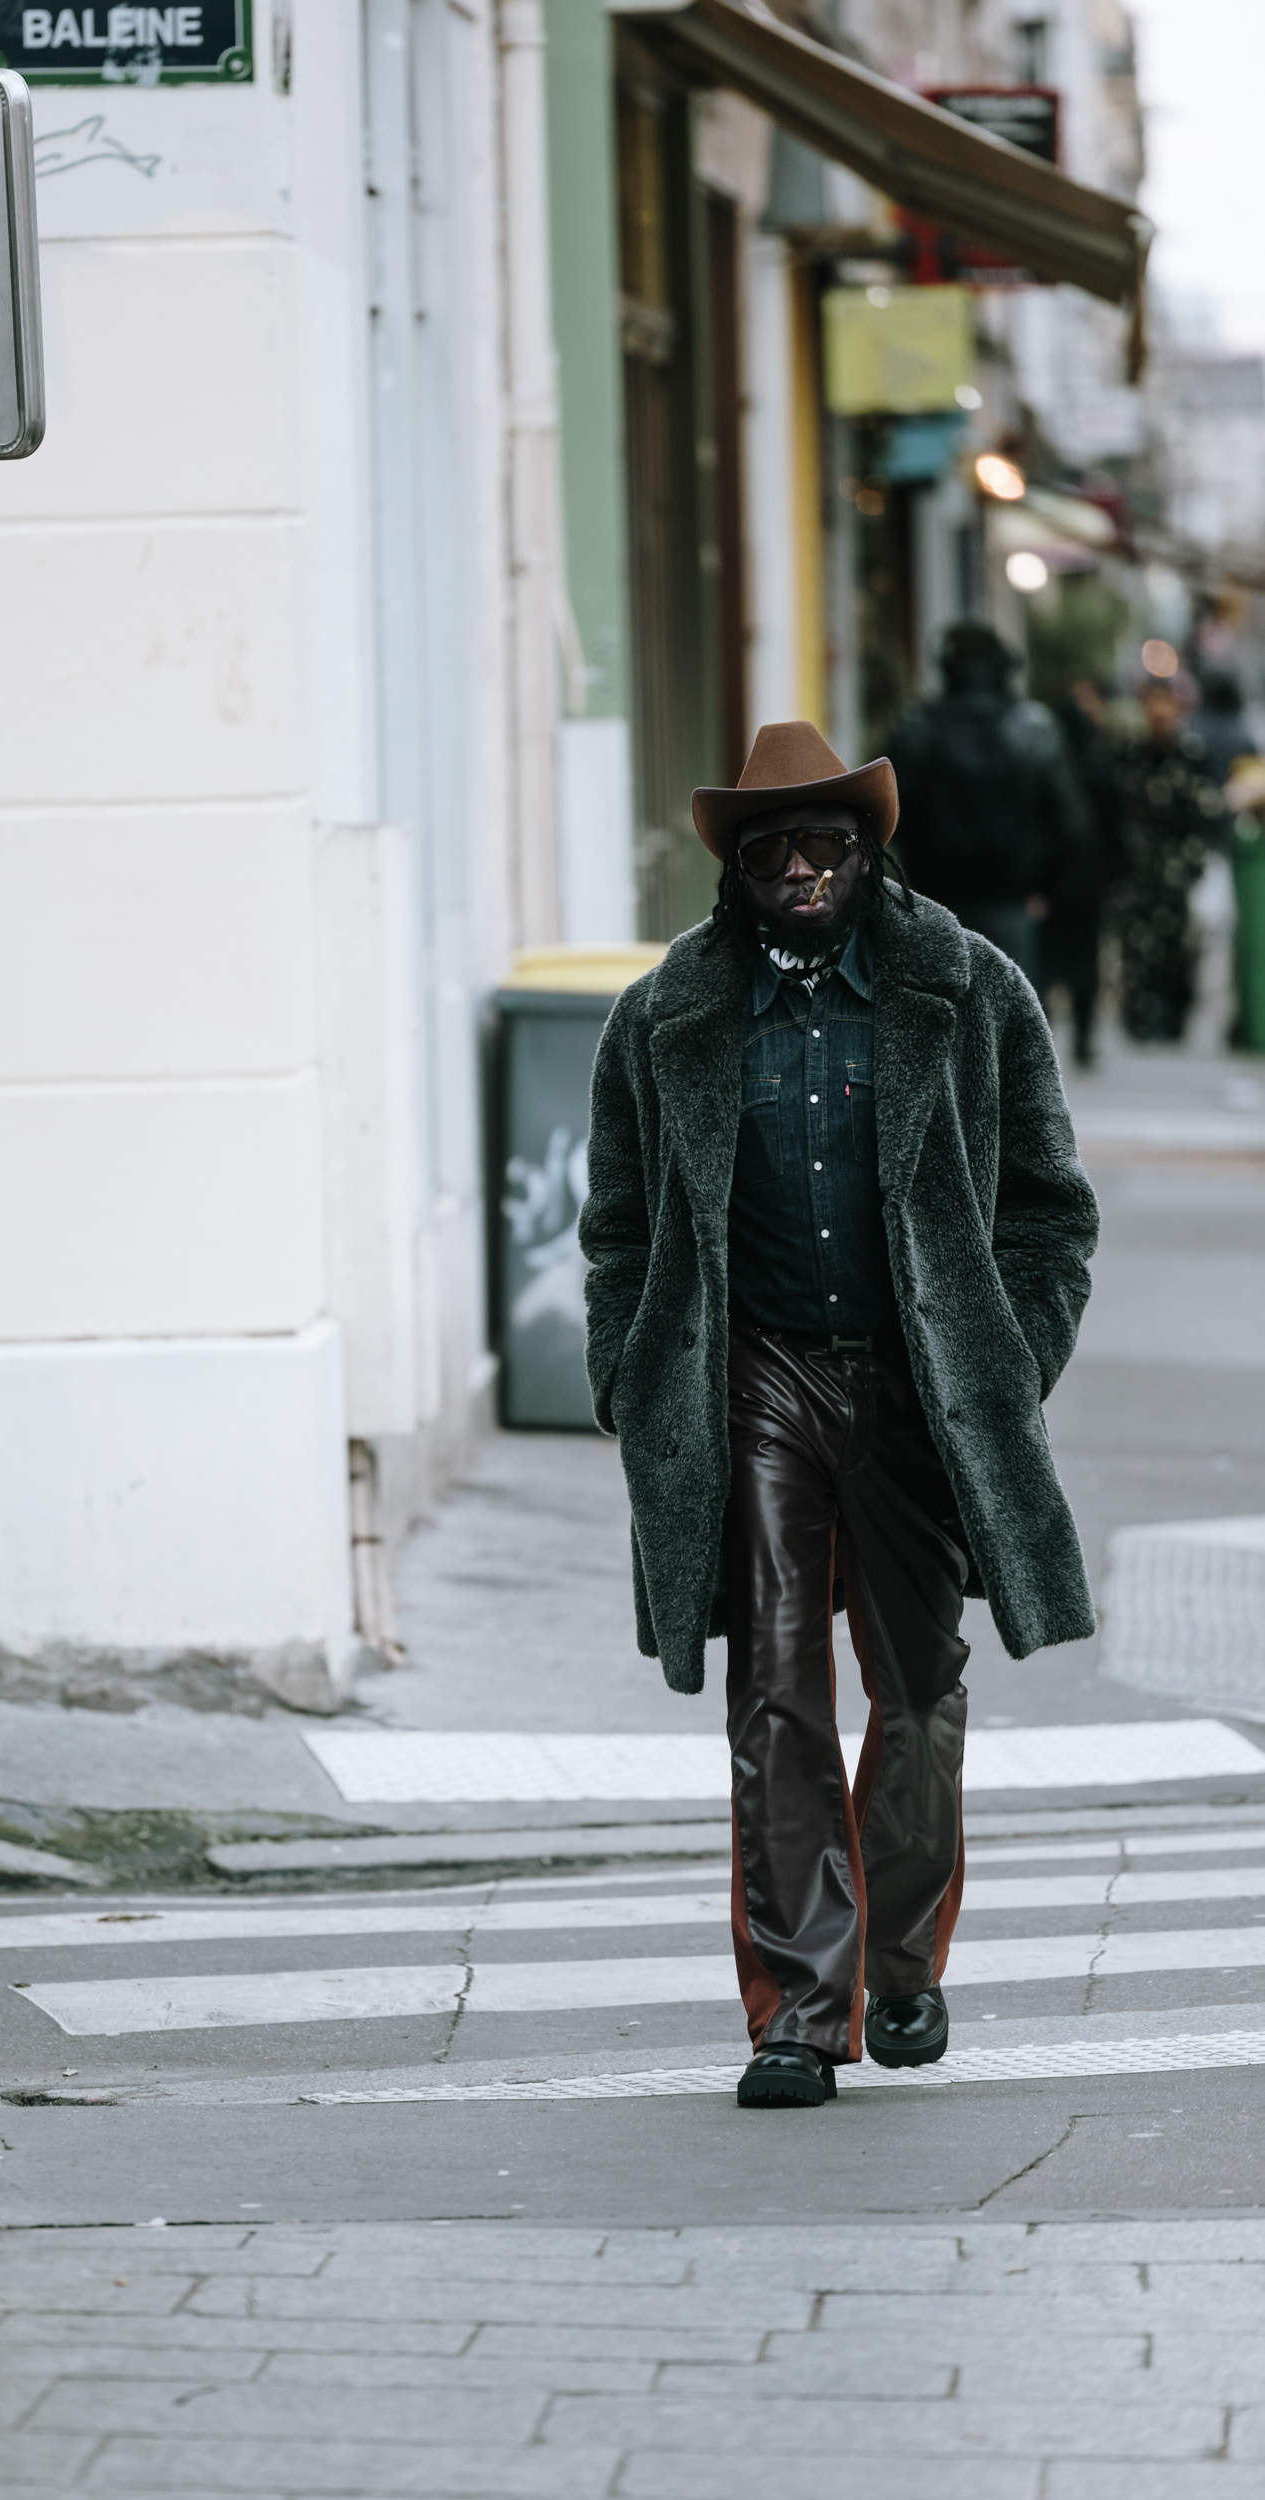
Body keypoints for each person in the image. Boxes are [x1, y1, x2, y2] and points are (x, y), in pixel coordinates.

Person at [580, 719, 1097, 2108]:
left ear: (867, 850)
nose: (802, 868)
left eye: (824, 843)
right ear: (735, 869)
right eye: (772, 849)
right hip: (748, 1380)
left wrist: (1003, 1360)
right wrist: (632, 1383)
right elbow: (618, 1230)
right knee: (771, 1693)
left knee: (919, 1690)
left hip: (916, 1381)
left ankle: (900, 1970)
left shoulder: (965, 987)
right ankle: (798, 2015)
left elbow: (1047, 1211)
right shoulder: (665, 1015)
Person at [887, 621, 1090, 979]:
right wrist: (1046, 890)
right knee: (1015, 1022)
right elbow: (1072, 824)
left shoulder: (916, 726)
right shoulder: (1034, 726)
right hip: (1013, 901)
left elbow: (889, 818)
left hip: (935, 901)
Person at [1113, 678, 1226, 1043]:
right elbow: (1118, 811)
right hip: (1137, 872)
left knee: (1179, 949)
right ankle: (1139, 1021)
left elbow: (1206, 814)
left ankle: (1175, 1018)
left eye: (1166, 703)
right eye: (1152, 702)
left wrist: (1192, 864)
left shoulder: (1191, 755)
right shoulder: (1132, 754)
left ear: (1178, 708)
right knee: (1136, 949)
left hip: (1177, 872)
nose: (1159, 711)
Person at [1043, 678, 1118, 1067]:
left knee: (1048, 960)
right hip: (1089, 882)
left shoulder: (1050, 762)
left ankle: (1045, 1039)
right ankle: (1084, 1041)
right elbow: (1117, 824)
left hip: (1054, 882)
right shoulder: (1100, 761)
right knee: (1086, 962)